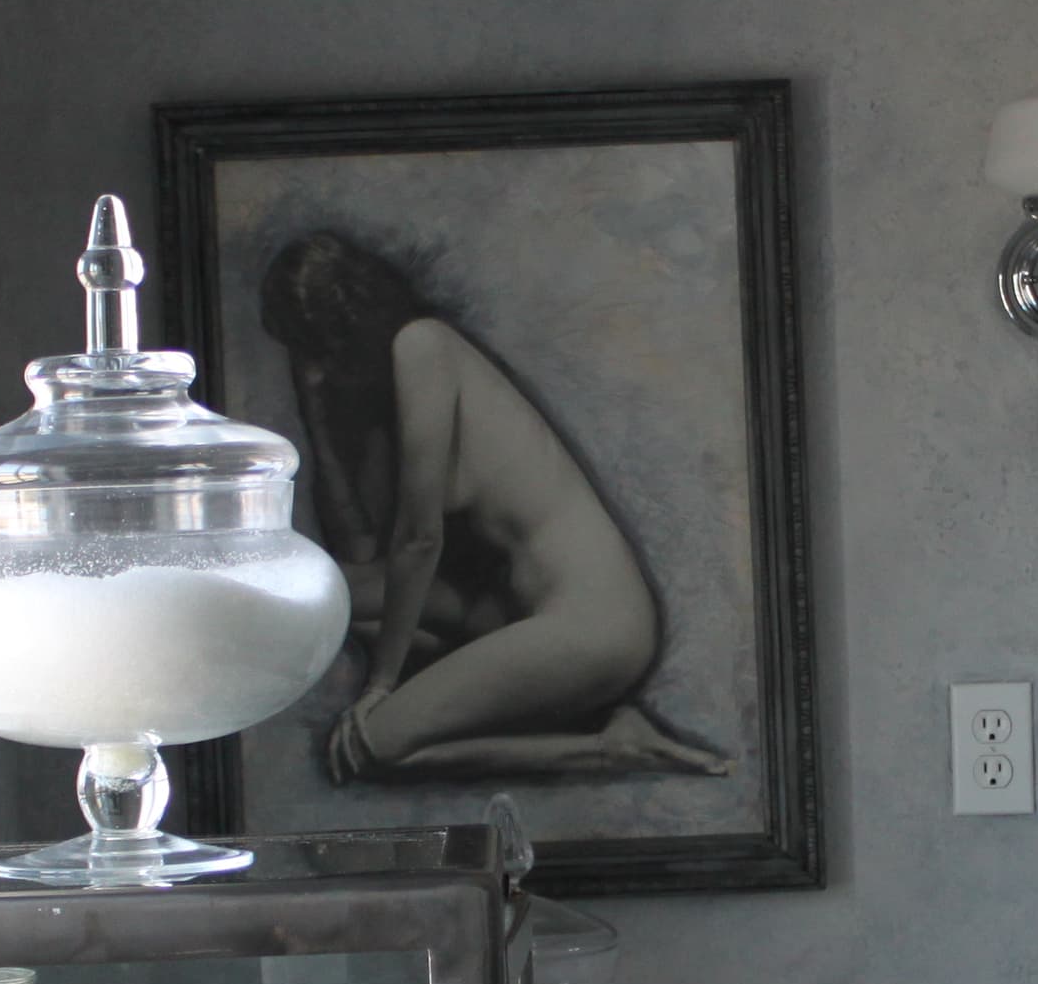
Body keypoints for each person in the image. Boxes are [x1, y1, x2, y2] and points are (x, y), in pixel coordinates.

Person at [257, 230, 728, 783]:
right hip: (514, 610)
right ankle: (484, 698)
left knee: (376, 745)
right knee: (329, 593)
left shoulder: (423, 348)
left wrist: (380, 686)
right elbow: (359, 549)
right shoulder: (386, 380)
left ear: (346, 326)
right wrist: (315, 410)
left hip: (595, 626)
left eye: (319, 349)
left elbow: (419, 540)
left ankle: (609, 745)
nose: (320, 367)